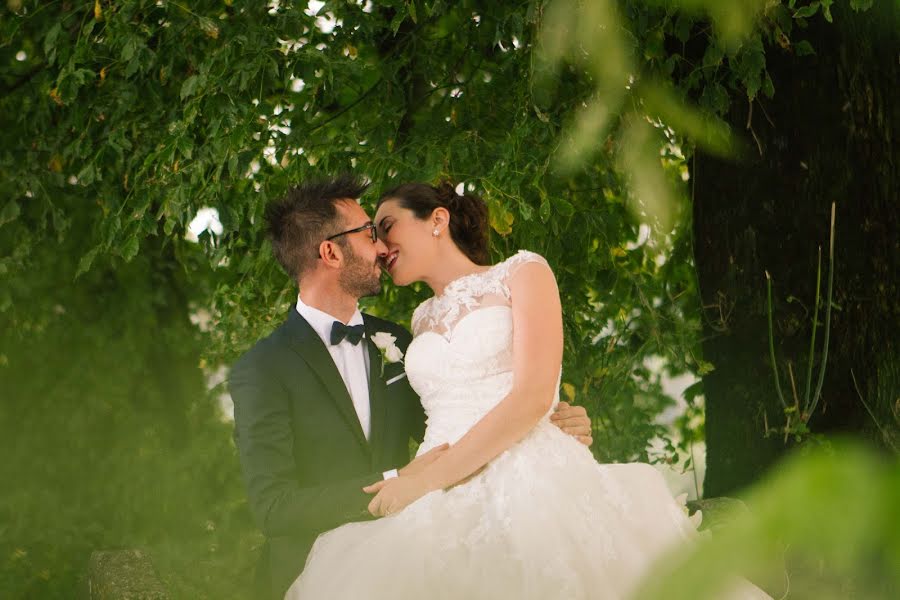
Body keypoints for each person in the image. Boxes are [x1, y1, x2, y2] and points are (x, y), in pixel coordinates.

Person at [285, 182, 773, 599]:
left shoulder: (523, 273)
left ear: (436, 219)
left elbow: (532, 396)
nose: (379, 244)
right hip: (437, 481)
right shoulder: (418, 320)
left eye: (386, 226)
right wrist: (419, 482)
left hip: (530, 471)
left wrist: (423, 482)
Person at [229, 176, 594, 599]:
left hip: (441, 527)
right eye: (369, 233)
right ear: (329, 251)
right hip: (328, 569)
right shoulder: (262, 369)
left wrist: (548, 417)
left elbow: (452, 419)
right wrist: (397, 481)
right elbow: (274, 508)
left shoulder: (402, 341)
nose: (382, 248)